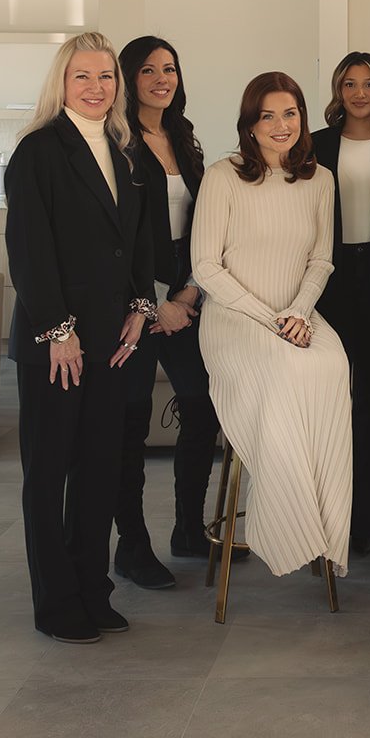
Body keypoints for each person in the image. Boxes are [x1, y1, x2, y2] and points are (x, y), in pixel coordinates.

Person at [5, 33, 155, 643]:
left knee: (98, 469)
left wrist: (142, 308)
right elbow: (29, 252)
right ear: (62, 84)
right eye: (83, 77)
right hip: (56, 345)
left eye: (106, 77)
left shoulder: (126, 151)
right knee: (49, 473)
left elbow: (139, 240)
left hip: (113, 340)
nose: (97, 88)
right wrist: (57, 331)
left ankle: (93, 590)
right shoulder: (37, 152)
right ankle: (56, 601)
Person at [191, 72, 352, 580]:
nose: (281, 125)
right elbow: (205, 267)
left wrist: (299, 313)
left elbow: (321, 260)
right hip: (235, 319)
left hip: (298, 313)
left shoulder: (320, 179)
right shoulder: (223, 175)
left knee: (334, 364)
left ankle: (325, 525)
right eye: (268, 115)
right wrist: (272, 320)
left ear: (303, 118)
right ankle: (291, 520)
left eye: (290, 113)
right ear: (250, 124)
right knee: (284, 372)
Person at [112, 35, 225, 590]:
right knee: (130, 423)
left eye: (171, 69)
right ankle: (131, 547)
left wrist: (188, 295)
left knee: (202, 407)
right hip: (133, 295)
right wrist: (151, 301)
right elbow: (119, 237)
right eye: (150, 70)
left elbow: (203, 230)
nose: (162, 78)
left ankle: (187, 529)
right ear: (129, 78)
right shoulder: (116, 143)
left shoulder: (185, 140)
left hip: (184, 290)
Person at [311, 51, 370, 556]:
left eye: (369, 84)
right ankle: (323, 512)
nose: (360, 93)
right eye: (350, 84)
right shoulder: (316, 145)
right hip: (329, 274)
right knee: (326, 399)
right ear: (338, 91)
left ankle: (366, 519)